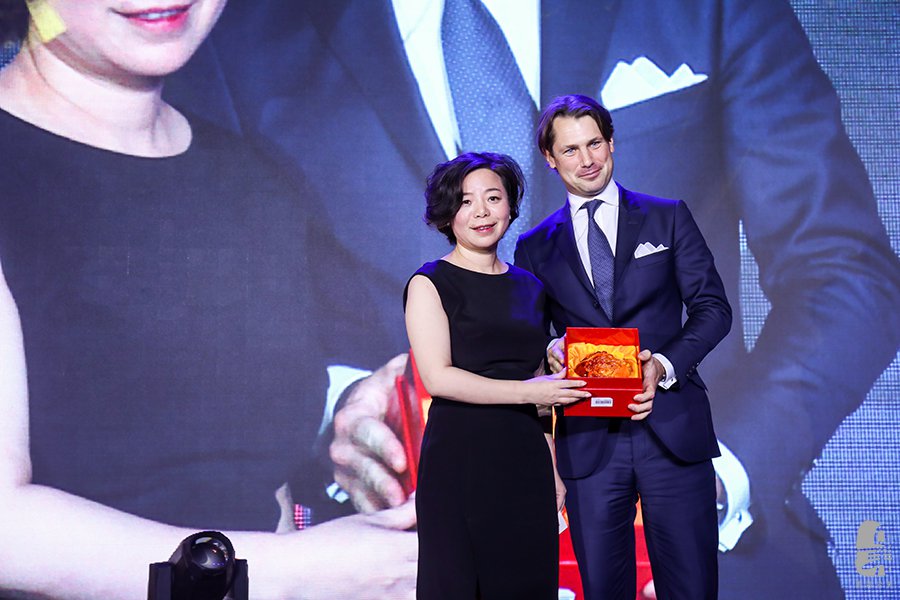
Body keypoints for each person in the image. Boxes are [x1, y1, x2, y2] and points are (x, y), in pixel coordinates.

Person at [165, 1, 900, 596]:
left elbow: (846, 271)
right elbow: (209, 325)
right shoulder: (231, 32)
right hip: (404, 559)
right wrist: (336, 409)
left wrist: (714, 474)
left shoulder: (707, 6)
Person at [0, 1, 416, 598]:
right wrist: (300, 573)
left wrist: (377, 416)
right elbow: (6, 528)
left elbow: (258, 484)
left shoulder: (258, 180)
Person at [514, 93, 732, 599]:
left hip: (672, 429)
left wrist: (663, 364)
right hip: (589, 442)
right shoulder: (535, 246)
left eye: (594, 144)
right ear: (550, 158)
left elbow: (713, 309)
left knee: (693, 588)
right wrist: (551, 349)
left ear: (611, 143)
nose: (586, 160)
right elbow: (531, 340)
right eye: (570, 150)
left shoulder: (667, 217)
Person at [404, 152, 593, 598]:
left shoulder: (531, 287)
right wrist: (529, 391)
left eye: (493, 198)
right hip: (460, 460)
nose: (482, 212)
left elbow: (540, 386)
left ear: (510, 206)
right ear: (447, 214)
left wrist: (552, 469)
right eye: (466, 201)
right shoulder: (430, 283)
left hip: (525, 460)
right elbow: (439, 378)